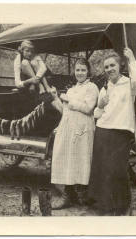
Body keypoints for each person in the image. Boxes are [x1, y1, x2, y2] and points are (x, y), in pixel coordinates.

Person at [87, 48, 136, 216]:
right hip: (103, 130)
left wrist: (132, 59)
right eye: (106, 67)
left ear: (120, 65)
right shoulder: (105, 87)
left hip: (121, 131)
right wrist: (100, 105)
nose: (109, 69)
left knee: (117, 170)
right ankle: (105, 206)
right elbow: (97, 114)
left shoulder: (129, 84)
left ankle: (123, 207)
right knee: (102, 169)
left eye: (112, 65)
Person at [50, 59, 99, 209]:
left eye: (83, 70)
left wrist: (68, 100)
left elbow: (88, 108)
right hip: (68, 128)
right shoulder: (71, 90)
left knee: (81, 160)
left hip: (82, 129)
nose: (80, 73)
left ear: (88, 72)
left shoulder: (92, 88)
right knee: (67, 160)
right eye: (77, 70)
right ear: (74, 72)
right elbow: (64, 111)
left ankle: (82, 195)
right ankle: (68, 195)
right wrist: (55, 97)